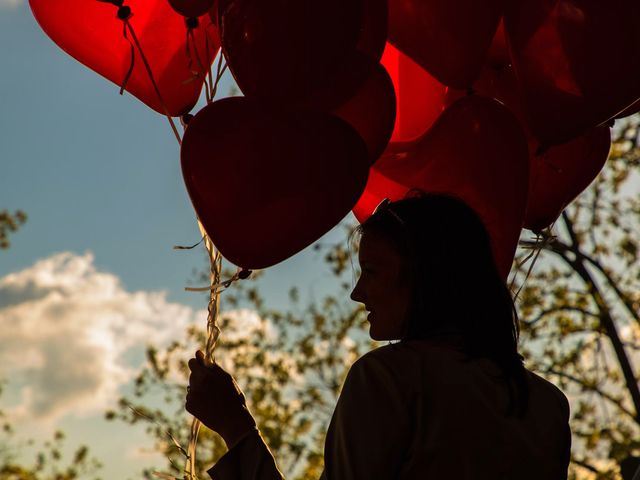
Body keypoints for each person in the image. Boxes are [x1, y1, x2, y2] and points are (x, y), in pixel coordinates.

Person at [186, 192, 571, 480]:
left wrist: (235, 426)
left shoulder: (388, 380)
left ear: (425, 274)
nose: (357, 293)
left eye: (371, 270)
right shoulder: (548, 406)